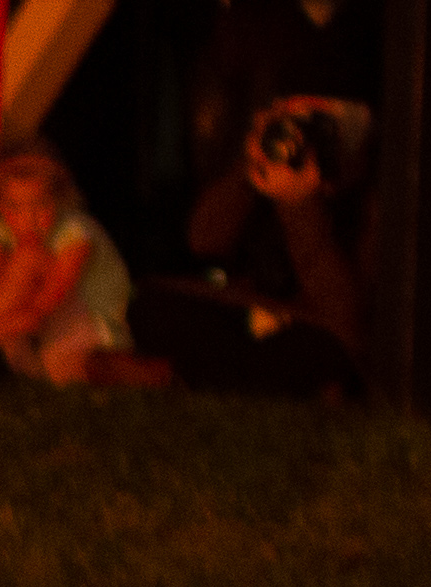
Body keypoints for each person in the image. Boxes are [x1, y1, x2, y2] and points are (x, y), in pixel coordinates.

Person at [118, 96, 371, 398]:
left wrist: (298, 203)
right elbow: (203, 240)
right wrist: (250, 166)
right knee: (151, 304)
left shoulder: (367, 202)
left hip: (313, 327)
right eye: (286, 125)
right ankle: (203, 377)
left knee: (320, 352)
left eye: (304, 128)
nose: (291, 137)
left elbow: (343, 316)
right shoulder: (264, 170)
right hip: (251, 312)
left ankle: (181, 376)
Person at [0, 135, 127, 389]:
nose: (28, 219)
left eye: (40, 205)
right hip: (20, 329)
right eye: (16, 208)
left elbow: (35, 316)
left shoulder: (76, 234)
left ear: (59, 198)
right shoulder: (3, 227)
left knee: (28, 257)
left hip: (84, 329)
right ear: (1, 206)